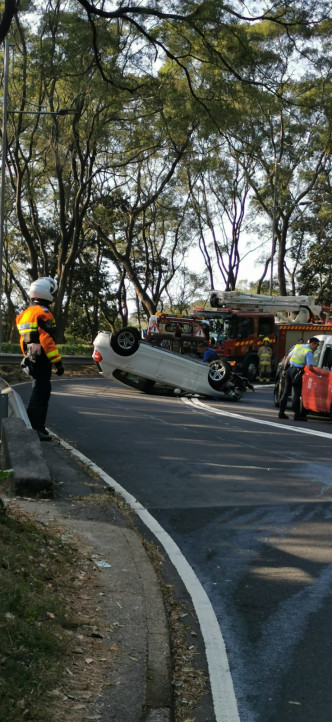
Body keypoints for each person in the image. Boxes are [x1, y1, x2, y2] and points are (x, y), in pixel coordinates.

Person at [16, 277, 64, 441]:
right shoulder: (43, 314)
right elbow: (47, 341)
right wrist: (58, 362)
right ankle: (35, 428)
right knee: (41, 393)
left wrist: (26, 356)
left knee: (40, 390)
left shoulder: (25, 314)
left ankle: (38, 427)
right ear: (46, 293)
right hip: (42, 359)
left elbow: (24, 339)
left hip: (31, 357)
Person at [278, 337, 320, 421]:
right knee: (296, 394)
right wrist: (318, 373)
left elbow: (287, 358)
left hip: (289, 370)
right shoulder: (309, 352)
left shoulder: (298, 346)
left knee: (286, 392)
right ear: (312, 343)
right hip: (297, 372)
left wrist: (284, 370)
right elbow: (310, 367)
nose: (317, 347)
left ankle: (281, 413)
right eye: (317, 345)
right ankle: (297, 415)